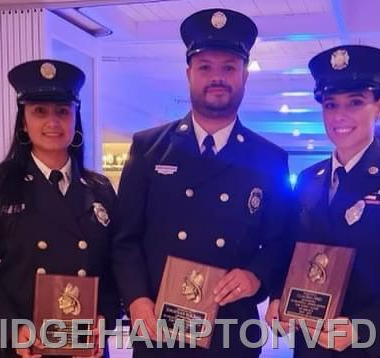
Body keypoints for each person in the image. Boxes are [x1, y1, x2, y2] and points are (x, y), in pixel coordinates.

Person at [111, 8, 294, 358]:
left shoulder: (269, 159)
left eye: (229, 67)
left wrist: (255, 276)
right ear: (188, 73)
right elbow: (125, 239)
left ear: (244, 75)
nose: (217, 78)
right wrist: (135, 300)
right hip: (159, 330)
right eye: (205, 67)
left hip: (232, 332)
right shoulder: (149, 149)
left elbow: (279, 241)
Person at [265, 45, 380, 358]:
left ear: (379, 106)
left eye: (355, 102)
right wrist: (277, 297)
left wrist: (362, 328)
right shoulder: (309, 179)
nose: (340, 116)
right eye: (330, 104)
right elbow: (290, 250)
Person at [0, 59, 119, 358]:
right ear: (24, 121)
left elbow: (115, 269)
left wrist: (104, 320)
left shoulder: (100, 189)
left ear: (75, 118)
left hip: (84, 346)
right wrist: (11, 328)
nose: (52, 122)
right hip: (20, 346)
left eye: (62, 111)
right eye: (39, 111)